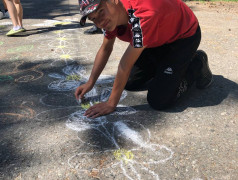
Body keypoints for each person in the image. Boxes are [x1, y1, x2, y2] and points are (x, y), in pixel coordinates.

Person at [75, 0, 213, 118]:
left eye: (100, 11)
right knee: (129, 82)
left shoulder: (142, 14)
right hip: (156, 38)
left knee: (160, 100)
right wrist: (90, 82)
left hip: (183, 36)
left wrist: (111, 104)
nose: (100, 22)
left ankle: (197, 64)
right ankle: (166, 66)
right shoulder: (110, 18)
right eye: (93, 19)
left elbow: (125, 65)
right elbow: (106, 48)